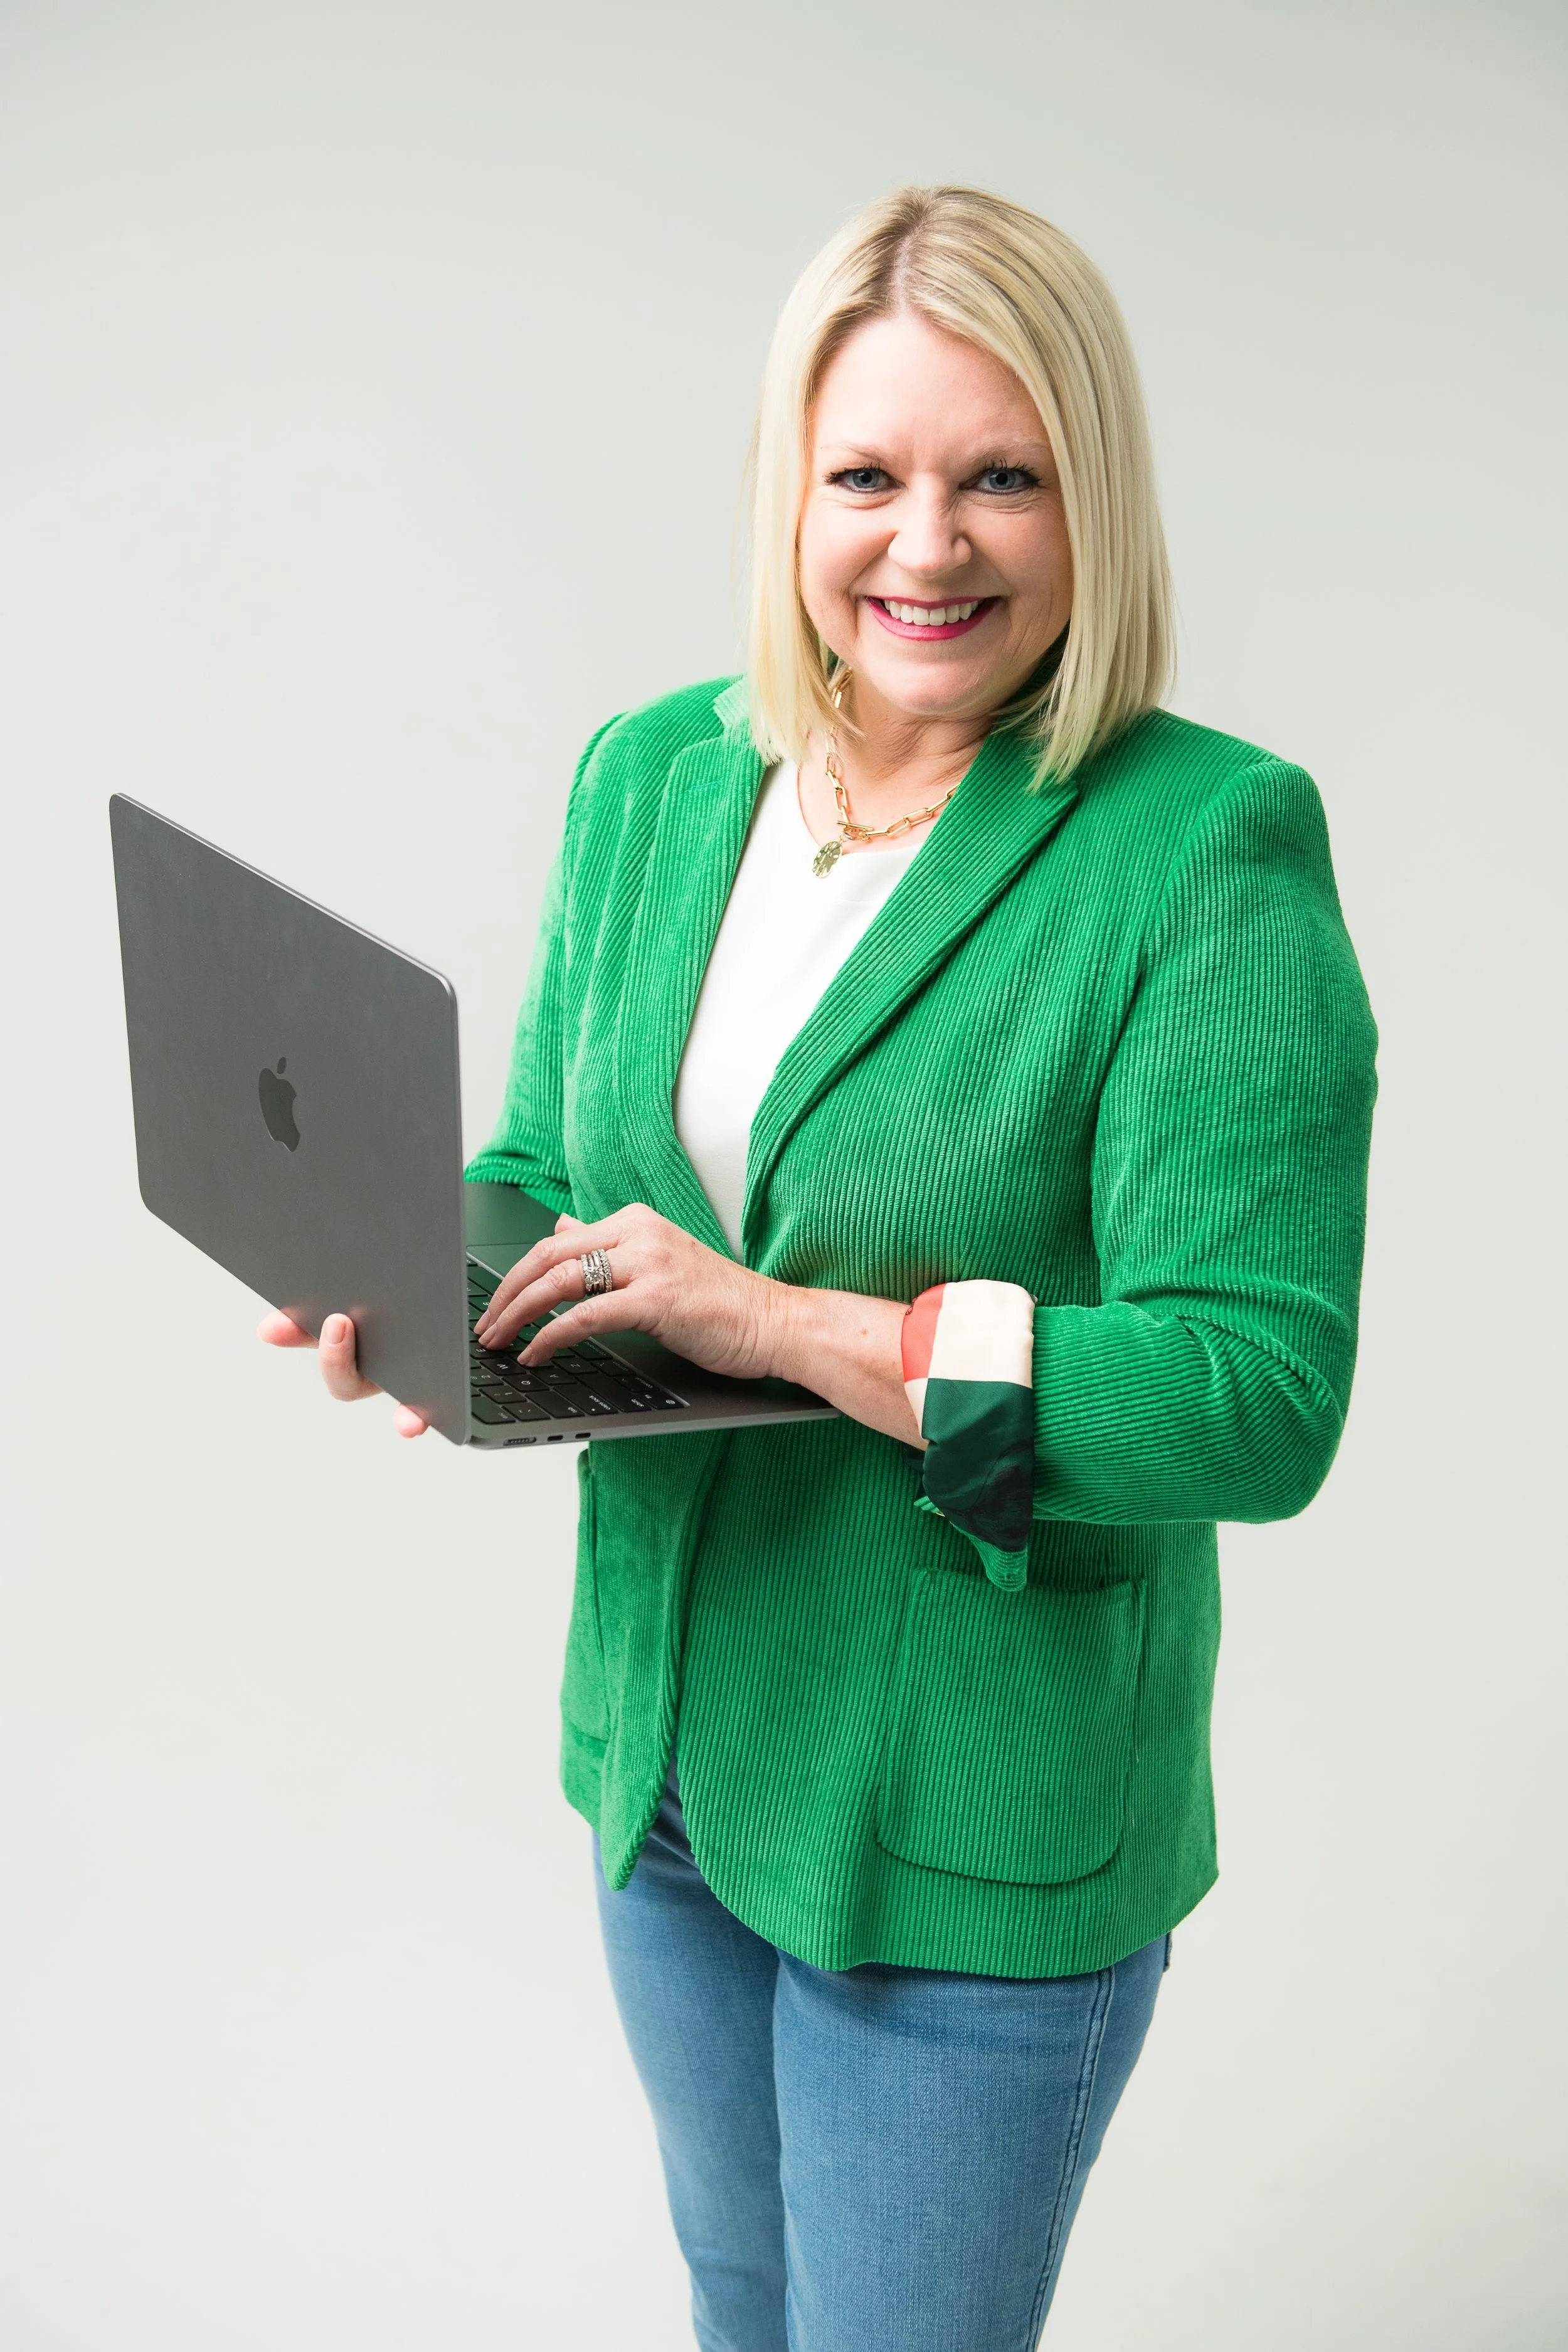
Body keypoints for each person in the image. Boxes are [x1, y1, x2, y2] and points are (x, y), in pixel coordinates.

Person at [262, 185, 1377, 2351]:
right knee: (742, 2307)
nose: (925, 546)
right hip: (670, 1744)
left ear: (1092, 501)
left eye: (999, 478)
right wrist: (429, 1289)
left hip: (966, 1808)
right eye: (865, 475)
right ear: (791, 488)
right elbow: (551, 1157)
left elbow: (1254, 1394)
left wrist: (786, 1325)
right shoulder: (660, 776)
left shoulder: (1205, 850)